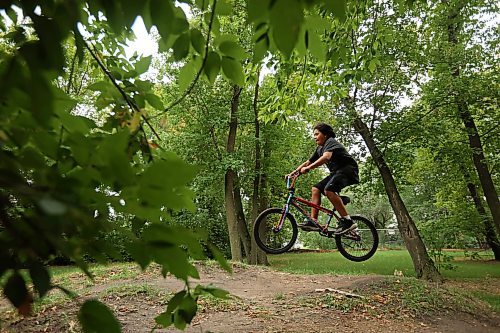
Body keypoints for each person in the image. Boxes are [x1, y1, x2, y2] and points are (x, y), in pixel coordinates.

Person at [287, 122, 359, 235]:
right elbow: (307, 162)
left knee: (328, 189)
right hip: (336, 172)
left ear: (325, 134)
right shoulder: (319, 148)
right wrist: (293, 173)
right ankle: (313, 221)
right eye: (314, 135)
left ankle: (348, 221)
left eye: (317, 134)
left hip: (348, 170)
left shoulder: (330, 142)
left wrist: (309, 168)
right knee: (315, 189)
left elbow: (326, 157)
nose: (314, 137)